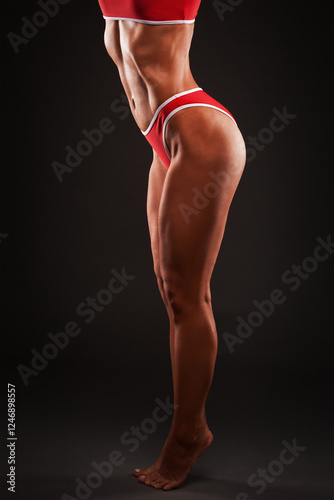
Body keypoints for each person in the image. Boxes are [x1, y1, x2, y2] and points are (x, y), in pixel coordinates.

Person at [98, 0, 246, 491]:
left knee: (188, 295)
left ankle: (188, 435)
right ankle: (188, 426)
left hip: (197, 129)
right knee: (170, 290)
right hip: (161, 136)